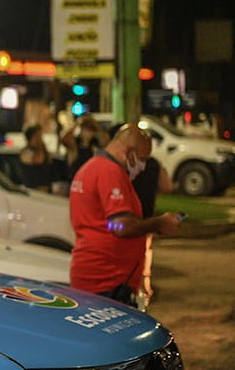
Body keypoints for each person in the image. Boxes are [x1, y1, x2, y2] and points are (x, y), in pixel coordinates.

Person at [68, 124, 183, 306]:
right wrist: (158, 223)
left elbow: (107, 223)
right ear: (129, 153)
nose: (143, 166)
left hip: (97, 277)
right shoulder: (109, 172)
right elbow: (120, 226)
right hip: (107, 281)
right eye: (142, 159)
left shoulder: (91, 168)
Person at [61, 114, 110, 180]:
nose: (88, 131)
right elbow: (64, 138)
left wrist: (95, 124)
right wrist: (77, 123)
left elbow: (106, 142)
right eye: (85, 128)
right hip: (76, 181)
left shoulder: (94, 146)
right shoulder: (75, 145)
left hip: (91, 180)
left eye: (90, 129)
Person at [20, 124, 53, 192]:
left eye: (40, 136)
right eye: (37, 137)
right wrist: (41, 147)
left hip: (45, 191)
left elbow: (49, 161)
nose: (39, 139)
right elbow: (36, 160)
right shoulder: (26, 152)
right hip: (33, 192)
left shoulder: (43, 151)